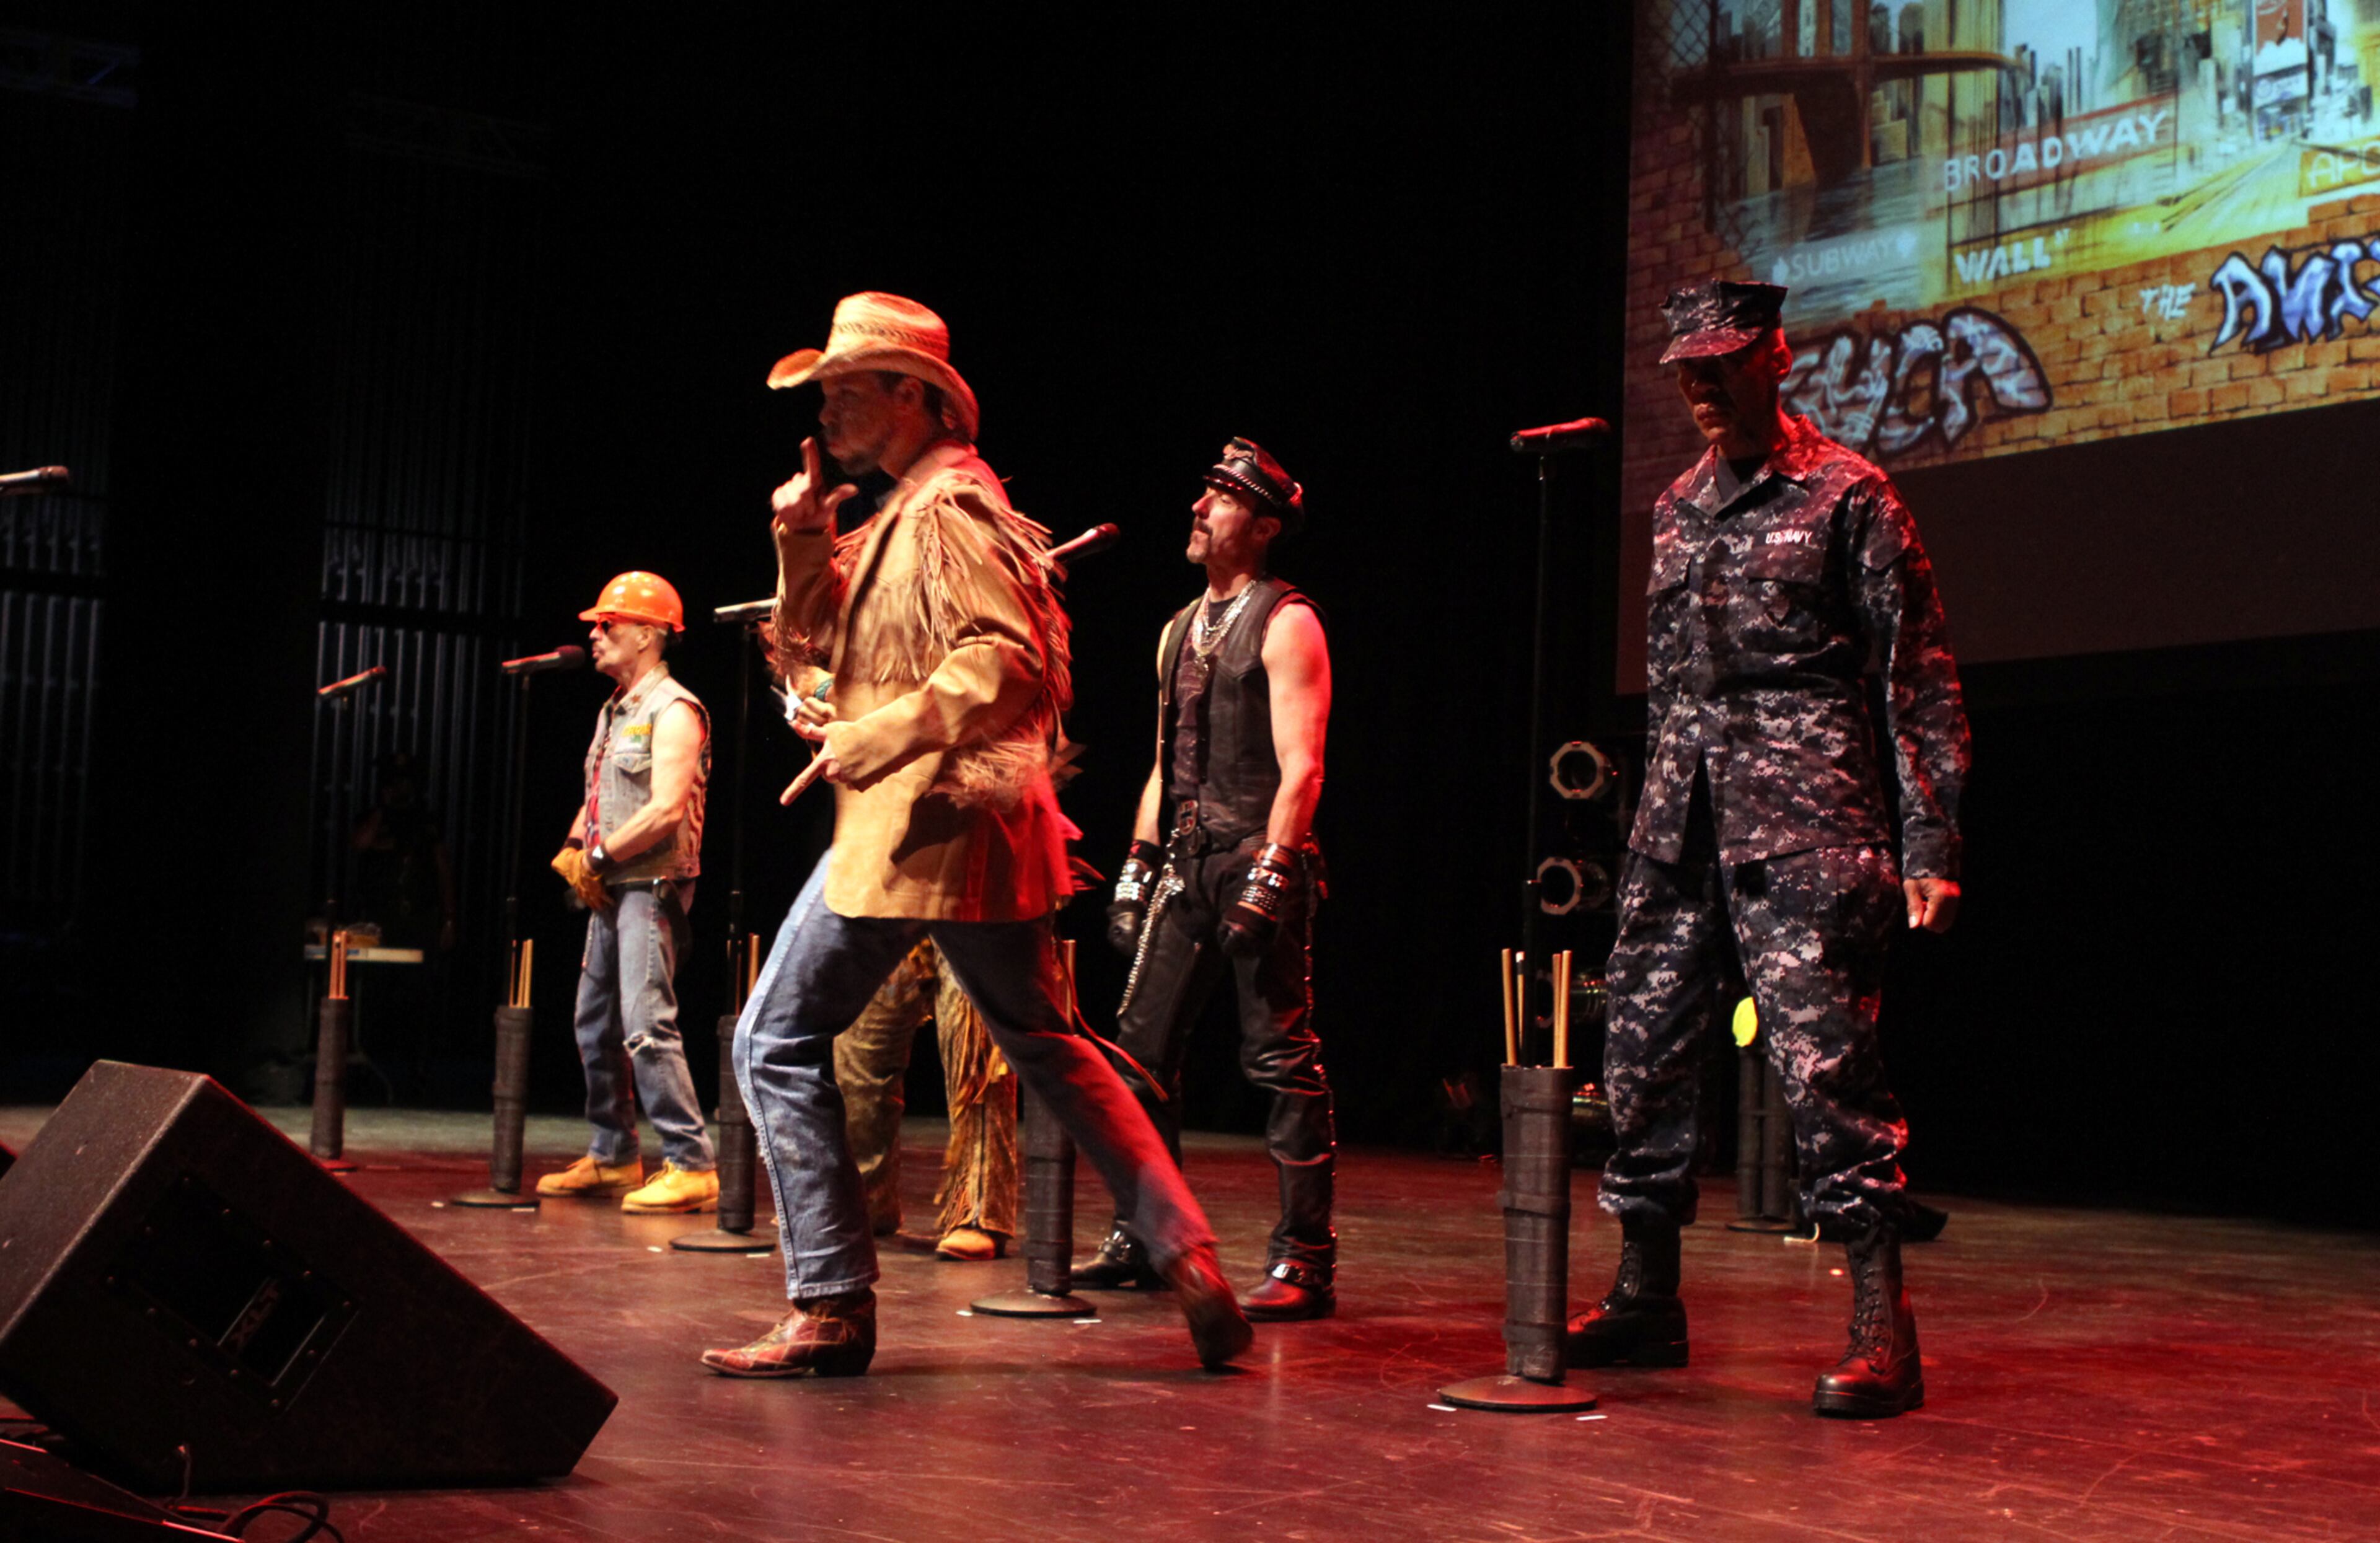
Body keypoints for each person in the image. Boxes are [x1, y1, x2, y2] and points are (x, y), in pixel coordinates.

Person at [701, 292, 1249, 1379]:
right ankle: (1189, 1256)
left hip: (917, 830)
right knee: (1051, 1045)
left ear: (912, 393)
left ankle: (831, 1305)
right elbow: (811, 640)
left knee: (772, 1041)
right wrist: (800, 540)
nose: (829, 409)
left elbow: (1007, 664)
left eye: (847, 388)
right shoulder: (907, 511)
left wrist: (876, 737)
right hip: (970, 835)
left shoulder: (948, 509)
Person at [1568, 279, 1971, 1419]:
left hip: (1807, 826)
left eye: (1723, 361)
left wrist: (1931, 843)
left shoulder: (1850, 494)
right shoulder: (1675, 507)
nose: (1701, 383)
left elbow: (1920, 680)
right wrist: (1645, 822)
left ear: (1776, 356)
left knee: (1828, 1075)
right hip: (1677, 828)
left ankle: (1881, 1325)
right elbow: (1674, 690)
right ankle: (1648, 1295)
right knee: (1640, 1060)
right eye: (1686, 366)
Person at [1088, 438, 1338, 1321]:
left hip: (1254, 851)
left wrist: (1272, 874)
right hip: (1188, 860)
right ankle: (1147, 1232)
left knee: (1278, 1056)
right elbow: (1165, 763)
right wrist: (1137, 862)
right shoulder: (1176, 630)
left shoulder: (1287, 620)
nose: (1200, 508)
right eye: (1205, 492)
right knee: (1135, 1053)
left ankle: (1306, 1256)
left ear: (1264, 526)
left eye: (1223, 498)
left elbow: (1301, 766)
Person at [539, 572, 720, 1215]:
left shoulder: (674, 711)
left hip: (651, 884)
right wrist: (574, 846)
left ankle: (692, 1164)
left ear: (647, 635)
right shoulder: (614, 710)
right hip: (612, 886)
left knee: (646, 1025)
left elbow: (667, 809)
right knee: (595, 1024)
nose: (594, 635)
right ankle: (614, 1155)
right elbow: (600, 796)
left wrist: (596, 855)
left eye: (607, 625)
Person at [833, 939, 1018, 1259]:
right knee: (858, 1058)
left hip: (973, 908)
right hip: (891, 904)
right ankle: (867, 1201)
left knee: (974, 1063)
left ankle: (978, 1215)